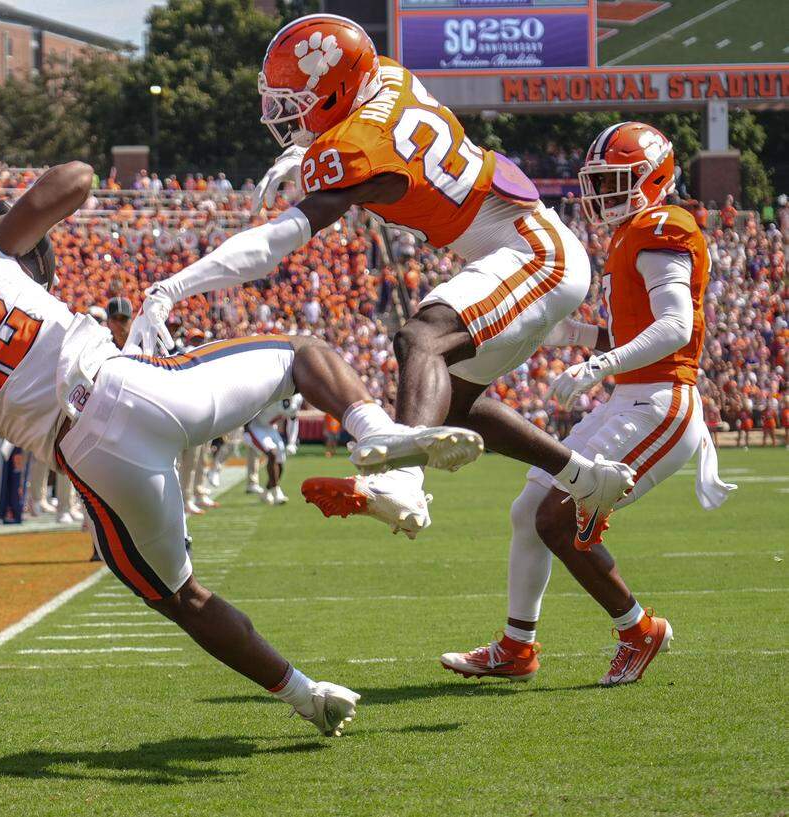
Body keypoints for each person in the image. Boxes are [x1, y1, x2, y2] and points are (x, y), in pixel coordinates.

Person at [0, 161, 479, 736]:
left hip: (91, 458)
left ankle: (306, 693)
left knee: (182, 597)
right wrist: (3, 231)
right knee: (304, 354)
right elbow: (76, 179)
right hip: (133, 383)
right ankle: (377, 432)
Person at [133, 14, 633, 543]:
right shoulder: (386, 75)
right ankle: (587, 478)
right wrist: (308, 154)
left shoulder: (360, 145)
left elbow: (274, 243)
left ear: (332, 92)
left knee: (421, 338)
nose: (280, 114)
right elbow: (370, 127)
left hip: (537, 253)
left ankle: (404, 482)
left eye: (294, 100)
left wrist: (172, 287)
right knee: (454, 407)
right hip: (522, 241)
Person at [441, 123, 737, 686]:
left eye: (616, 180)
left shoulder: (663, 225)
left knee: (559, 517)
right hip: (632, 399)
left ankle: (638, 629)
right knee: (529, 511)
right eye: (597, 181)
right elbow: (626, 329)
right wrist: (565, 334)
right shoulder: (630, 233)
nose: (603, 192)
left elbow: (674, 328)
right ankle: (516, 647)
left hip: (660, 404)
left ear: (653, 179)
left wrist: (600, 365)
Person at [243, 401, 291, 505]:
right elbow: (249, 407)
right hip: (256, 426)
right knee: (272, 454)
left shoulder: (297, 398)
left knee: (280, 464)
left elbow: (293, 418)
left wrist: (292, 442)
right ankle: (276, 492)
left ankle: (266, 492)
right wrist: (246, 430)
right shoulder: (274, 391)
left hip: (271, 427)